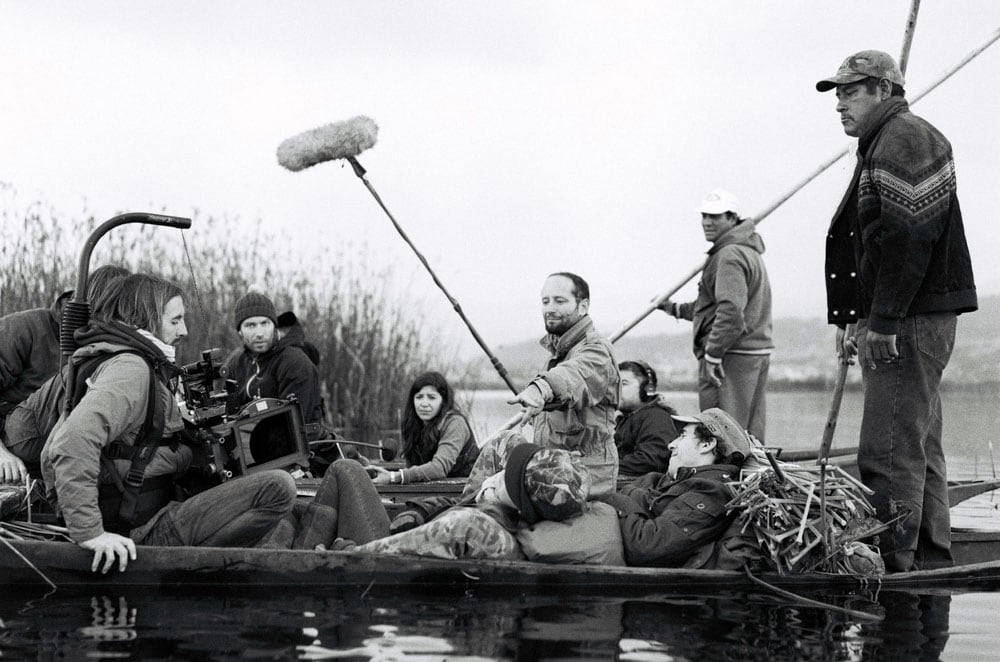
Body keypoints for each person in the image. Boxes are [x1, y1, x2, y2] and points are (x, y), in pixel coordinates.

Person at [815, 50, 977, 572]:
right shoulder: (883, 141)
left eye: (850, 90)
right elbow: (878, 241)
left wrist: (881, 321)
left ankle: (891, 565)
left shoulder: (905, 138)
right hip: (906, 316)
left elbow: (909, 238)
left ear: (884, 89)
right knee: (917, 447)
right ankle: (929, 559)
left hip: (908, 320)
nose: (839, 103)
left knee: (887, 453)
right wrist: (855, 318)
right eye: (837, 93)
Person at [40, 273, 296, 573]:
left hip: (140, 512)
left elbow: (57, 451)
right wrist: (90, 533)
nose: (184, 330)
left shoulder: (119, 358)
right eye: (175, 320)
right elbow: (72, 441)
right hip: (139, 532)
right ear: (146, 319)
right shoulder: (131, 369)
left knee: (278, 513)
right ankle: (208, 570)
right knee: (279, 488)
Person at [657, 189, 772, 442]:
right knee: (749, 432)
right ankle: (752, 479)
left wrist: (713, 354)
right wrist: (672, 308)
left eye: (715, 216)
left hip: (731, 355)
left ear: (732, 218)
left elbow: (730, 312)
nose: (707, 222)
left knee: (723, 433)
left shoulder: (730, 255)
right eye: (704, 216)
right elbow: (709, 307)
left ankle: (725, 479)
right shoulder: (746, 250)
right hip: (753, 353)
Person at [0, 264, 129, 483]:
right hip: (16, 443)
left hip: (66, 450)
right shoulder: (25, 328)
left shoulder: (115, 349)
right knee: (75, 376)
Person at [506, 272, 620, 494]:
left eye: (560, 301)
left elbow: (572, 376)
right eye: (545, 301)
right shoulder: (560, 350)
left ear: (583, 306)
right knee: (502, 445)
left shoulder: (596, 351)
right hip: (556, 469)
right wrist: (540, 410)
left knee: (498, 499)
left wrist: (540, 389)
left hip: (585, 479)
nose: (549, 308)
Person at [595, 407, 752, 568]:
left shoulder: (711, 492)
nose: (671, 445)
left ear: (707, 444)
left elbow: (646, 545)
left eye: (682, 436)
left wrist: (618, 498)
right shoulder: (665, 479)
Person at [225, 292, 325, 440]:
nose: (259, 333)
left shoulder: (294, 362)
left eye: (264, 323)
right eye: (250, 325)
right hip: (254, 447)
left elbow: (296, 425)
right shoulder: (236, 362)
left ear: (274, 326)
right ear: (240, 331)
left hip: (307, 447)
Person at [369, 371, 479, 485]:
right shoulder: (413, 424)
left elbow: (439, 468)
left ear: (443, 401)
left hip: (462, 492)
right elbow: (412, 467)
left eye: (432, 398)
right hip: (431, 490)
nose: (424, 404)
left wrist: (394, 477)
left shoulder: (455, 423)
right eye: (419, 397)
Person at [614, 360, 678, 475]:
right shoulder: (627, 418)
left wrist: (606, 467)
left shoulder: (656, 417)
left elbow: (649, 462)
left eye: (624, 383)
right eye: (614, 383)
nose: (614, 389)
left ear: (646, 390)